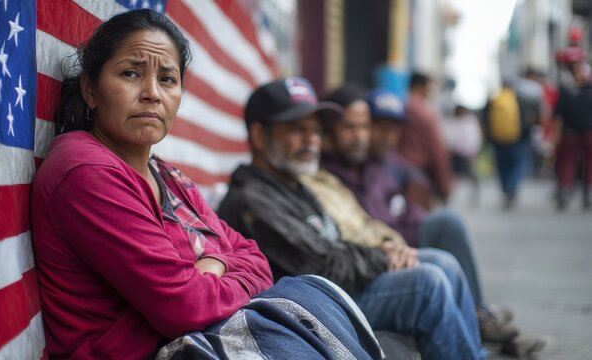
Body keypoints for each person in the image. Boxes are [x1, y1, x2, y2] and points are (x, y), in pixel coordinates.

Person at [31, 10, 384, 359]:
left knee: (306, 289)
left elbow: (255, 259)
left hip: (204, 338)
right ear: (90, 89)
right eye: (130, 73)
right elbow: (185, 307)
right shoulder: (86, 170)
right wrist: (211, 274)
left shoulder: (167, 175)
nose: (152, 93)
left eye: (167, 79)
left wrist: (213, 265)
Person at [218, 77, 488, 360]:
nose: (312, 139)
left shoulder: (292, 183)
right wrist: (382, 257)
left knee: (442, 263)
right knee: (427, 284)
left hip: (338, 290)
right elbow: (323, 264)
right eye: (297, 130)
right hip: (311, 310)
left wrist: (384, 251)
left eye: (316, 130)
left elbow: (337, 243)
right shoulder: (255, 198)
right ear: (260, 136)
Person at [312, 85, 545, 357]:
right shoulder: (324, 177)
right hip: (360, 269)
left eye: (365, 127)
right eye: (351, 128)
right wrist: (387, 248)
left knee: (445, 247)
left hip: (389, 246)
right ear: (328, 132)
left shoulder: (376, 167)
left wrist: (394, 237)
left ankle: (475, 330)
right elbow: (352, 238)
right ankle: (478, 322)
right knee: (430, 278)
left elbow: (401, 210)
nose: (362, 136)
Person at [398, 72, 454, 204]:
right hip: (418, 179)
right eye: (429, 87)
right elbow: (437, 151)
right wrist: (444, 186)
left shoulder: (400, 107)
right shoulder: (426, 114)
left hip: (394, 174)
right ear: (422, 87)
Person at [483, 82, 531, 209]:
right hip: (515, 139)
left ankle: (505, 189)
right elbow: (526, 120)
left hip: (497, 140)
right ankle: (513, 187)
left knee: (502, 166)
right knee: (516, 165)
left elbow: (485, 120)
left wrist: (489, 138)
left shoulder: (494, 100)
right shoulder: (518, 99)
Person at [552, 60, 592, 210]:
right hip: (580, 132)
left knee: (568, 162)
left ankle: (567, 190)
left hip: (572, 132)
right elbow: (557, 117)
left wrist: (555, 136)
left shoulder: (566, 91)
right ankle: (584, 191)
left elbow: (557, 116)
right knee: (580, 162)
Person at [443, 105, 482, 202]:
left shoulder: (469, 122)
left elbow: (473, 139)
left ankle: (474, 196)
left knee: (470, 176)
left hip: (465, 154)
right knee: (454, 176)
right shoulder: (455, 122)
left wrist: (473, 153)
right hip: (456, 153)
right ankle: (449, 195)